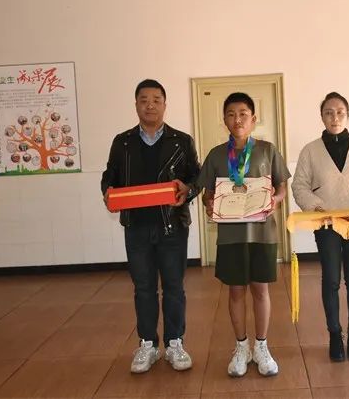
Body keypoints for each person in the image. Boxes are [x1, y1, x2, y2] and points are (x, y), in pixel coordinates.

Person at [101, 79, 201, 374]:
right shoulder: (122, 142)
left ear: (165, 105)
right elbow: (110, 177)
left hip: (172, 226)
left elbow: (196, 177)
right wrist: (107, 192)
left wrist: (189, 190)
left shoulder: (182, 141)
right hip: (136, 227)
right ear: (136, 105)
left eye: (156, 100)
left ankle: (174, 343)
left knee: (173, 287)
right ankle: (147, 344)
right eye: (144, 100)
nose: (150, 105)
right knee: (143, 288)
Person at [197, 92, 290, 377]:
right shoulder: (216, 155)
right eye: (231, 114)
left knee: (261, 290)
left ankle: (261, 347)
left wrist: (275, 200)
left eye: (243, 114)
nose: (237, 119)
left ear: (253, 119)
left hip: (262, 234)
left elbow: (282, 186)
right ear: (224, 120)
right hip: (230, 236)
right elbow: (207, 193)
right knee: (236, 291)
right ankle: (241, 348)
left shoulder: (267, 150)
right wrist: (209, 203)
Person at [291, 91, 349, 362]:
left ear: (348, 115)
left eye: (340, 112)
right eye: (329, 113)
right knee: (331, 279)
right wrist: (314, 205)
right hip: (326, 223)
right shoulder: (310, 150)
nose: (335, 117)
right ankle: (334, 333)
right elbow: (299, 185)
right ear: (322, 117)